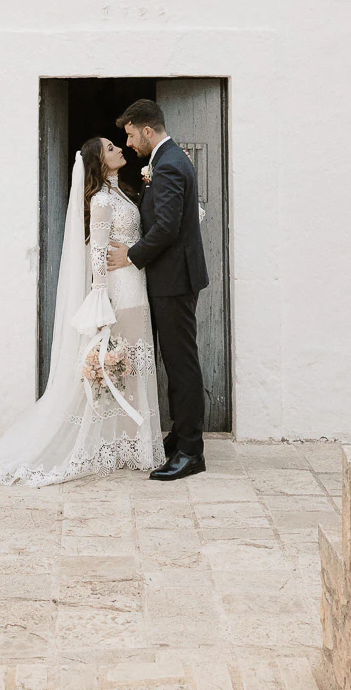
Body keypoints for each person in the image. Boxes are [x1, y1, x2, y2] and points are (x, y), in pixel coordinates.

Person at [0, 136, 164, 486]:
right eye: (111, 148)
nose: (119, 150)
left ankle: (131, 445)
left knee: (132, 368)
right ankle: (114, 445)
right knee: (120, 367)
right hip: (120, 292)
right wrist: (99, 299)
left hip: (136, 286)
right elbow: (97, 252)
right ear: (98, 162)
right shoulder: (99, 201)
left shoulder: (122, 192)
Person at [108, 98, 209, 481]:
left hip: (174, 280)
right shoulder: (168, 161)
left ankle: (191, 452)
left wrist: (131, 256)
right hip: (173, 277)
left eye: (132, 135)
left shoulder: (167, 165)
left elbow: (166, 228)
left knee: (181, 363)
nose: (130, 144)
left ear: (147, 130)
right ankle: (180, 435)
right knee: (176, 359)